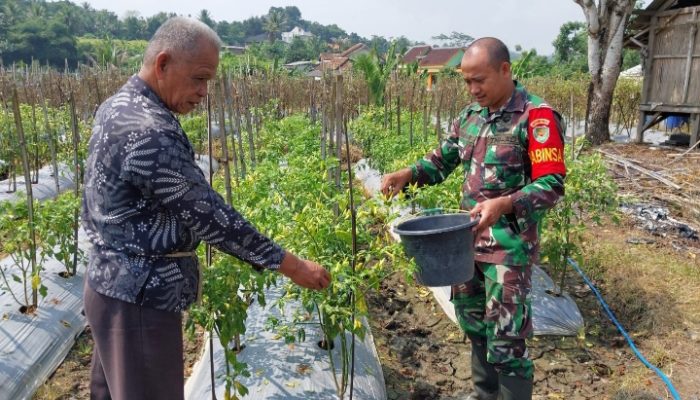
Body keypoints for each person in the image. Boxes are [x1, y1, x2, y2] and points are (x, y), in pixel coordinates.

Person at [81, 17, 331, 400]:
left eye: (208, 81)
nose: (204, 92)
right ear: (162, 64)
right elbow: (211, 217)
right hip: (139, 302)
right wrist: (294, 266)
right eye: (199, 78)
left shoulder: (117, 106)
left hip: (111, 289)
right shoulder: (149, 131)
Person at [381, 37, 566, 400]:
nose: (473, 89)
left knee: (508, 341)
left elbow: (551, 184)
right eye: (467, 81)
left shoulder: (535, 117)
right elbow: (441, 160)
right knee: (475, 327)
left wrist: (505, 203)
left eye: (479, 80)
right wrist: (408, 173)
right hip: (464, 248)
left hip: (507, 251)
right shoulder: (470, 117)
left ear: (505, 70)